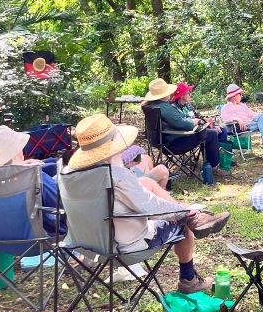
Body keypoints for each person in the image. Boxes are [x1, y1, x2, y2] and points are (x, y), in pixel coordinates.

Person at [64, 113, 231, 293]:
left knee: (147, 185)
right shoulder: (114, 174)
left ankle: (194, 218)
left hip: (84, 244)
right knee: (182, 223)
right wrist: (185, 212)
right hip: (122, 246)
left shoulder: (66, 174)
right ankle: (189, 279)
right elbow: (150, 206)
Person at [0, 125, 65, 235]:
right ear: (14, 153)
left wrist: (20, 165)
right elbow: (61, 204)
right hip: (36, 239)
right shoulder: (34, 177)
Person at [142, 78, 223, 175]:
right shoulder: (164, 107)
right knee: (211, 133)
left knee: (207, 132)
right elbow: (183, 124)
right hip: (174, 143)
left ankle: (209, 164)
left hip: (160, 142)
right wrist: (194, 121)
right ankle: (214, 166)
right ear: (163, 95)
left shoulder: (151, 106)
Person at [220, 83, 263, 159]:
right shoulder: (226, 107)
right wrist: (237, 119)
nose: (241, 96)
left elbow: (252, 114)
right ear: (234, 96)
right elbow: (226, 119)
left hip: (250, 125)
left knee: (261, 117)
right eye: (240, 94)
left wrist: (262, 118)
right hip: (237, 127)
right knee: (262, 123)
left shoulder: (242, 105)